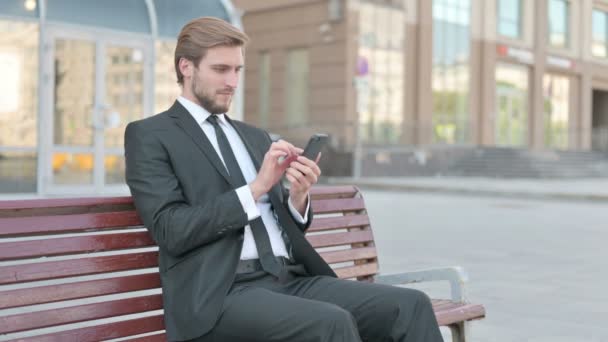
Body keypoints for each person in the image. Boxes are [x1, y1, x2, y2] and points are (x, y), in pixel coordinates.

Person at [124, 16, 443, 342]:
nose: (232, 82)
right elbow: (170, 229)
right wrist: (257, 187)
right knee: (331, 323)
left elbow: (280, 224)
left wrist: (297, 198)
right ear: (186, 67)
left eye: (238, 70)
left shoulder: (254, 137)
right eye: (221, 70)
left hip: (288, 277)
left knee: (411, 305)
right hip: (221, 293)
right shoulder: (151, 135)